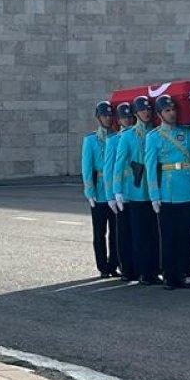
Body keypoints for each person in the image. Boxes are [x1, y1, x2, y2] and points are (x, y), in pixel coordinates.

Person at [144, 95, 190, 290]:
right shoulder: (154, 137)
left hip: (187, 191)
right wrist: (154, 195)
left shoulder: (186, 133)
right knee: (169, 237)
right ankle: (170, 277)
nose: (172, 113)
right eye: (167, 111)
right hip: (168, 193)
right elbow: (151, 167)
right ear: (160, 114)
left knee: (185, 237)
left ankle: (182, 275)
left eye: (173, 110)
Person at [110, 96, 161, 286]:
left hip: (155, 189)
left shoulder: (157, 133)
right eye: (141, 110)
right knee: (140, 234)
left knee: (154, 234)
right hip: (137, 190)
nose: (146, 113)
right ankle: (142, 271)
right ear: (136, 113)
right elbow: (118, 164)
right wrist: (117, 191)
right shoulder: (128, 136)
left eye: (148, 110)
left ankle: (154, 270)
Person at [81, 101, 119, 278]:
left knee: (116, 231)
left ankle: (114, 263)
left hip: (114, 190)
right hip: (99, 189)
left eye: (110, 115)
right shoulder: (91, 140)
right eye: (104, 115)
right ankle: (103, 266)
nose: (108, 118)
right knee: (99, 232)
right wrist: (90, 192)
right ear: (98, 117)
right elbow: (87, 168)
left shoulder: (117, 136)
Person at [107, 102, 136, 281]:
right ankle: (126, 268)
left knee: (138, 233)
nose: (127, 120)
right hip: (123, 192)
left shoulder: (140, 136)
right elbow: (110, 169)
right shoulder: (114, 140)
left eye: (129, 116)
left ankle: (138, 266)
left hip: (138, 190)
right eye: (124, 117)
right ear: (118, 120)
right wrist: (111, 194)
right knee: (123, 233)